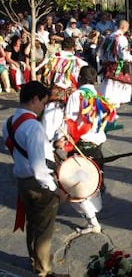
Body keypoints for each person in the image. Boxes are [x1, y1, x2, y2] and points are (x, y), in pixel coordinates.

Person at [2, 81, 68, 277]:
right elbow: (40, 168)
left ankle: (34, 261)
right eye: (44, 103)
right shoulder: (33, 127)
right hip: (39, 184)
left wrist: (52, 145)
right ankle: (43, 271)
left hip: (23, 181)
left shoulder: (9, 121)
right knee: (44, 230)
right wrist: (54, 189)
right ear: (34, 99)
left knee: (33, 224)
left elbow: (19, 151)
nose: (44, 108)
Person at [61, 66, 116, 234]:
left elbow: (68, 122)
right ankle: (93, 215)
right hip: (97, 147)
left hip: (82, 147)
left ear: (80, 78)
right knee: (91, 182)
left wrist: (61, 139)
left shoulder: (77, 95)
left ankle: (93, 223)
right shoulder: (100, 96)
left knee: (77, 186)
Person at [41, 37, 87, 142]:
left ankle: (48, 140)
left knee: (50, 116)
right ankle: (62, 141)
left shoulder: (52, 58)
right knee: (68, 117)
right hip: (72, 93)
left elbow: (43, 72)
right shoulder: (79, 62)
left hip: (55, 91)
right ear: (73, 47)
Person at [99, 19, 132, 108]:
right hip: (118, 65)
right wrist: (130, 59)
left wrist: (104, 60)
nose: (127, 30)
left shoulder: (108, 37)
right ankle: (113, 104)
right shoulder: (121, 38)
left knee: (109, 83)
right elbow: (123, 53)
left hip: (109, 64)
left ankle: (107, 102)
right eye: (127, 28)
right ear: (123, 27)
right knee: (117, 84)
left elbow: (101, 51)